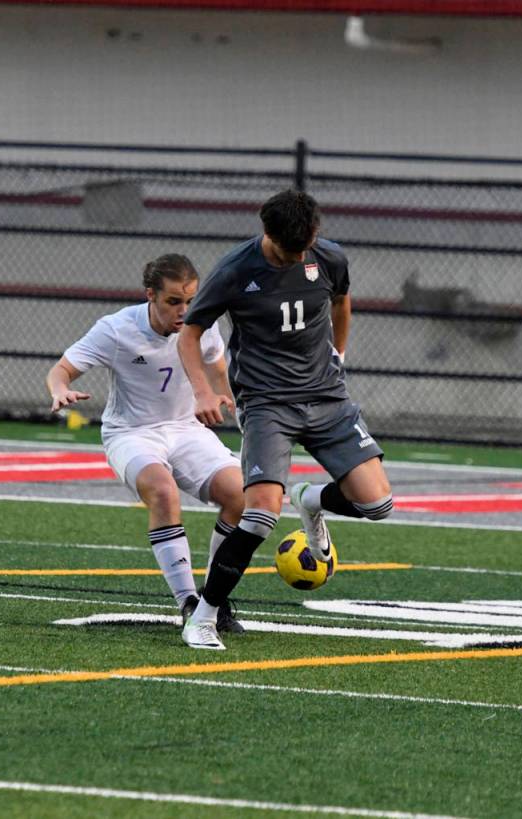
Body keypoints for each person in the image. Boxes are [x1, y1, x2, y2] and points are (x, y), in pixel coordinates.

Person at [177, 189, 393, 650]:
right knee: (258, 516)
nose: (294, 258)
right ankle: (204, 615)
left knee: (377, 505)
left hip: (327, 397)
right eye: (284, 251)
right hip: (267, 403)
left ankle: (310, 499)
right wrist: (203, 390)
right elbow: (190, 333)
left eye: (302, 249)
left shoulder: (330, 258)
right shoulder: (235, 271)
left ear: (315, 234)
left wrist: (339, 352)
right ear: (266, 232)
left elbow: (341, 301)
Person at [46, 253, 246, 635]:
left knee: (241, 496)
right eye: (174, 302)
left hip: (186, 430)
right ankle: (189, 603)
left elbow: (219, 370)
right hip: (132, 433)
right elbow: (61, 370)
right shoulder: (117, 329)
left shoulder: (204, 324)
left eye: (190, 301)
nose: (184, 311)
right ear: (150, 295)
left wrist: (226, 398)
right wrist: (60, 390)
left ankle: (213, 598)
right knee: (163, 491)